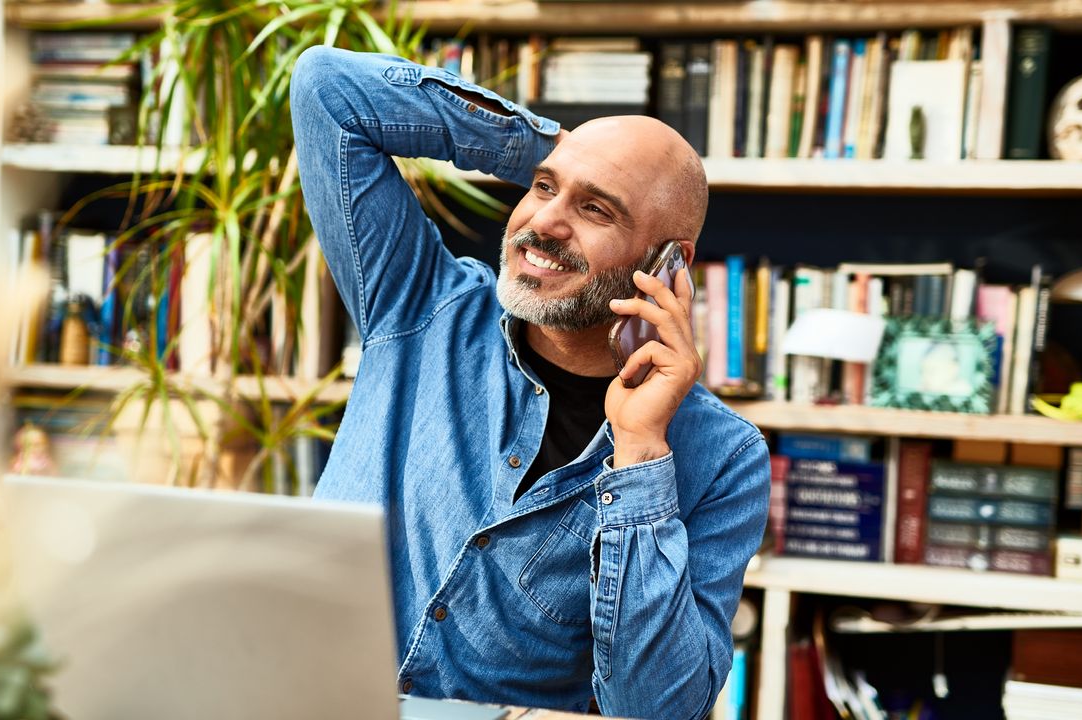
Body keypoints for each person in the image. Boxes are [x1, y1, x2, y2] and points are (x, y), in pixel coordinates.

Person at [290, 46, 769, 719]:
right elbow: (327, 89)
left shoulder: (722, 456)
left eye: (597, 209)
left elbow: (658, 709)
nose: (543, 222)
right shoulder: (423, 305)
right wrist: (553, 149)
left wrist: (639, 454)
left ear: (667, 263)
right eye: (544, 189)